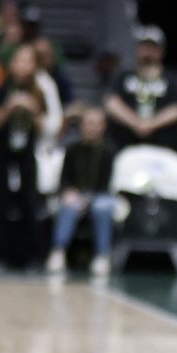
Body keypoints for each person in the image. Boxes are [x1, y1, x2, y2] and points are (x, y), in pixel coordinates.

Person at [0, 44, 60, 269]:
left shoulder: (40, 90)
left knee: (30, 200)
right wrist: (10, 107)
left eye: (28, 61)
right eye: (19, 60)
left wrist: (32, 109)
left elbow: (48, 127)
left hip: (27, 151)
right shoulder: (2, 88)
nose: (23, 66)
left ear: (35, 66)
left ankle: (33, 255)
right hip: (1, 150)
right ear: (11, 64)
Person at [47, 108, 119, 277]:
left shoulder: (108, 152)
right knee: (69, 206)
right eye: (89, 123)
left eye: (96, 124)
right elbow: (64, 180)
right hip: (76, 195)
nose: (92, 128)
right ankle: (59, 250)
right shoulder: (71, 150)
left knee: (102, 207)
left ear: (103, 127)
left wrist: (88, 199)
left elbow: (105, 184)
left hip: (98, 196)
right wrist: (69, 193)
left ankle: (102, 255)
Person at [104, 26, 177, 150]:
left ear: (161, 51)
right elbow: (111, 102)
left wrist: (150, 124)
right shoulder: (123, 76)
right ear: (137, 49)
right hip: (125, 147)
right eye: (145, 46)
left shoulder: (172, 78)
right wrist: (136, 123)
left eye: (153, 47)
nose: (148, 51)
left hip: (162, 149)